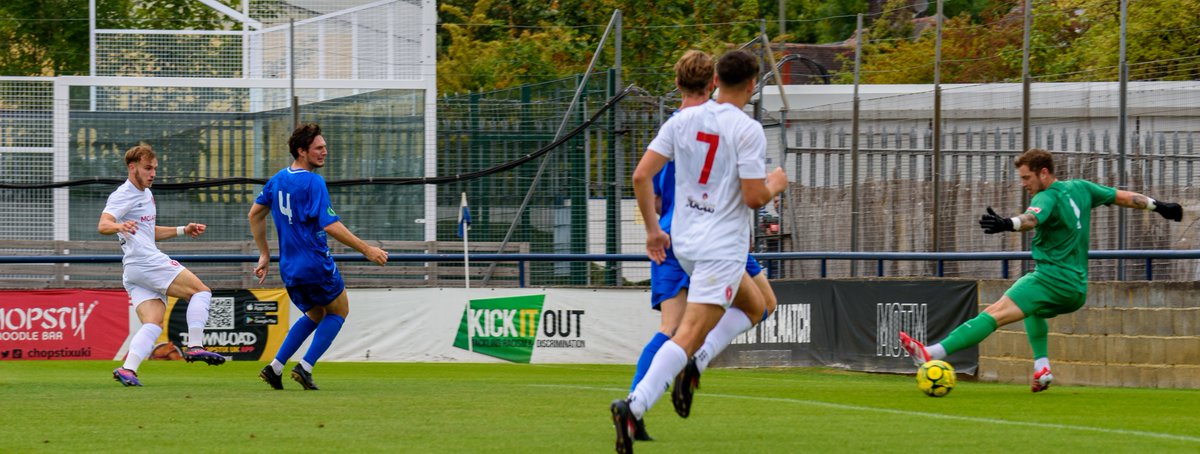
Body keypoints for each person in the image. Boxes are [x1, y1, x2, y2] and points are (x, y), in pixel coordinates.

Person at [611, 50, 789, 453]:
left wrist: (654, 232)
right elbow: (753, 195)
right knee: (686, 333)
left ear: (715, 81)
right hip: (721, 248)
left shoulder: (683, 120)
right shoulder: (747, 129)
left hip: (686, 242)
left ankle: (696, 362)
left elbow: (641, 175)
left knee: (757, 305)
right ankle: (634, 407)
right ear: (750, 85)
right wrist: (776, 183)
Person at [900, 148, 1183, 392]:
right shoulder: (1081, 188)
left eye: (1026, 177)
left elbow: (1030, 220)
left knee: (994, 313)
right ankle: (1042, 368)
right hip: (1076, 289)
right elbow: (1123, 196)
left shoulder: (1045, 198)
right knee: (1031, 309)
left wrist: (1006, 224)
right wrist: (1160, 206)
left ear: (1043, 173)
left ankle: (933, 352)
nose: (1024, 184)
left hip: (1051, 279)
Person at [249, 123, 389, 390]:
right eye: (319, 148)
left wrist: (265, 254)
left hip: (289, 268)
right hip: (314, 263)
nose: (325, 151)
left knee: (315, 313)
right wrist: (367, 250)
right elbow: (330, 225)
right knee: (340, 310)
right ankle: (305, 366)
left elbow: (254, 214)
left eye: (324, 146)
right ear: (301, 151)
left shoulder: (277, 179)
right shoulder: (314, 181)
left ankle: (275, 367)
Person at [99, 144, 225, 387]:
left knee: (153, 323)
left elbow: (148, 232)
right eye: (148, 168)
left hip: (134, 269)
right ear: (132, 167)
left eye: (155, 168)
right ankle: (196, 346)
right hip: (146, 262)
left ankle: (128, 369)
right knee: (201, 291)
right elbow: (103, 224)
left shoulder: (145, 194)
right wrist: (118, 226)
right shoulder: (123, 194)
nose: (153, 173)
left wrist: (182, 230)